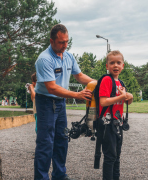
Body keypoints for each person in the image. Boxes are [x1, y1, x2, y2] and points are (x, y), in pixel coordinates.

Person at [34, 24, 94, 180]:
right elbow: (52, 88)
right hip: (46, 102)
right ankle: (41, 178)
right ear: (52, 41)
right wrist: (77, 94)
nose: (65, 45)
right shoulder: (44, 59)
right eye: (61, 42)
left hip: (60, 104)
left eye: (67, 41)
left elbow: (79, 76)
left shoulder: (68, 56)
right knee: (46, 142)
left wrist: (99, 83)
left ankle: (59, 175)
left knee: (62, 140)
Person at [99, 50, 133, 180]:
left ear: (123, 65)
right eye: (112, 63)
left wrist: (130, 96)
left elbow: (127, 101)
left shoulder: (121, 83)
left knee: (117, 156)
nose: (115, 65)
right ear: (107, 66)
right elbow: (103, 101)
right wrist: (123, 96)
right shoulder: (107, 80)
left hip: (118, 123)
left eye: (118, 63)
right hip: (107, 124)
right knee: (110, 156)